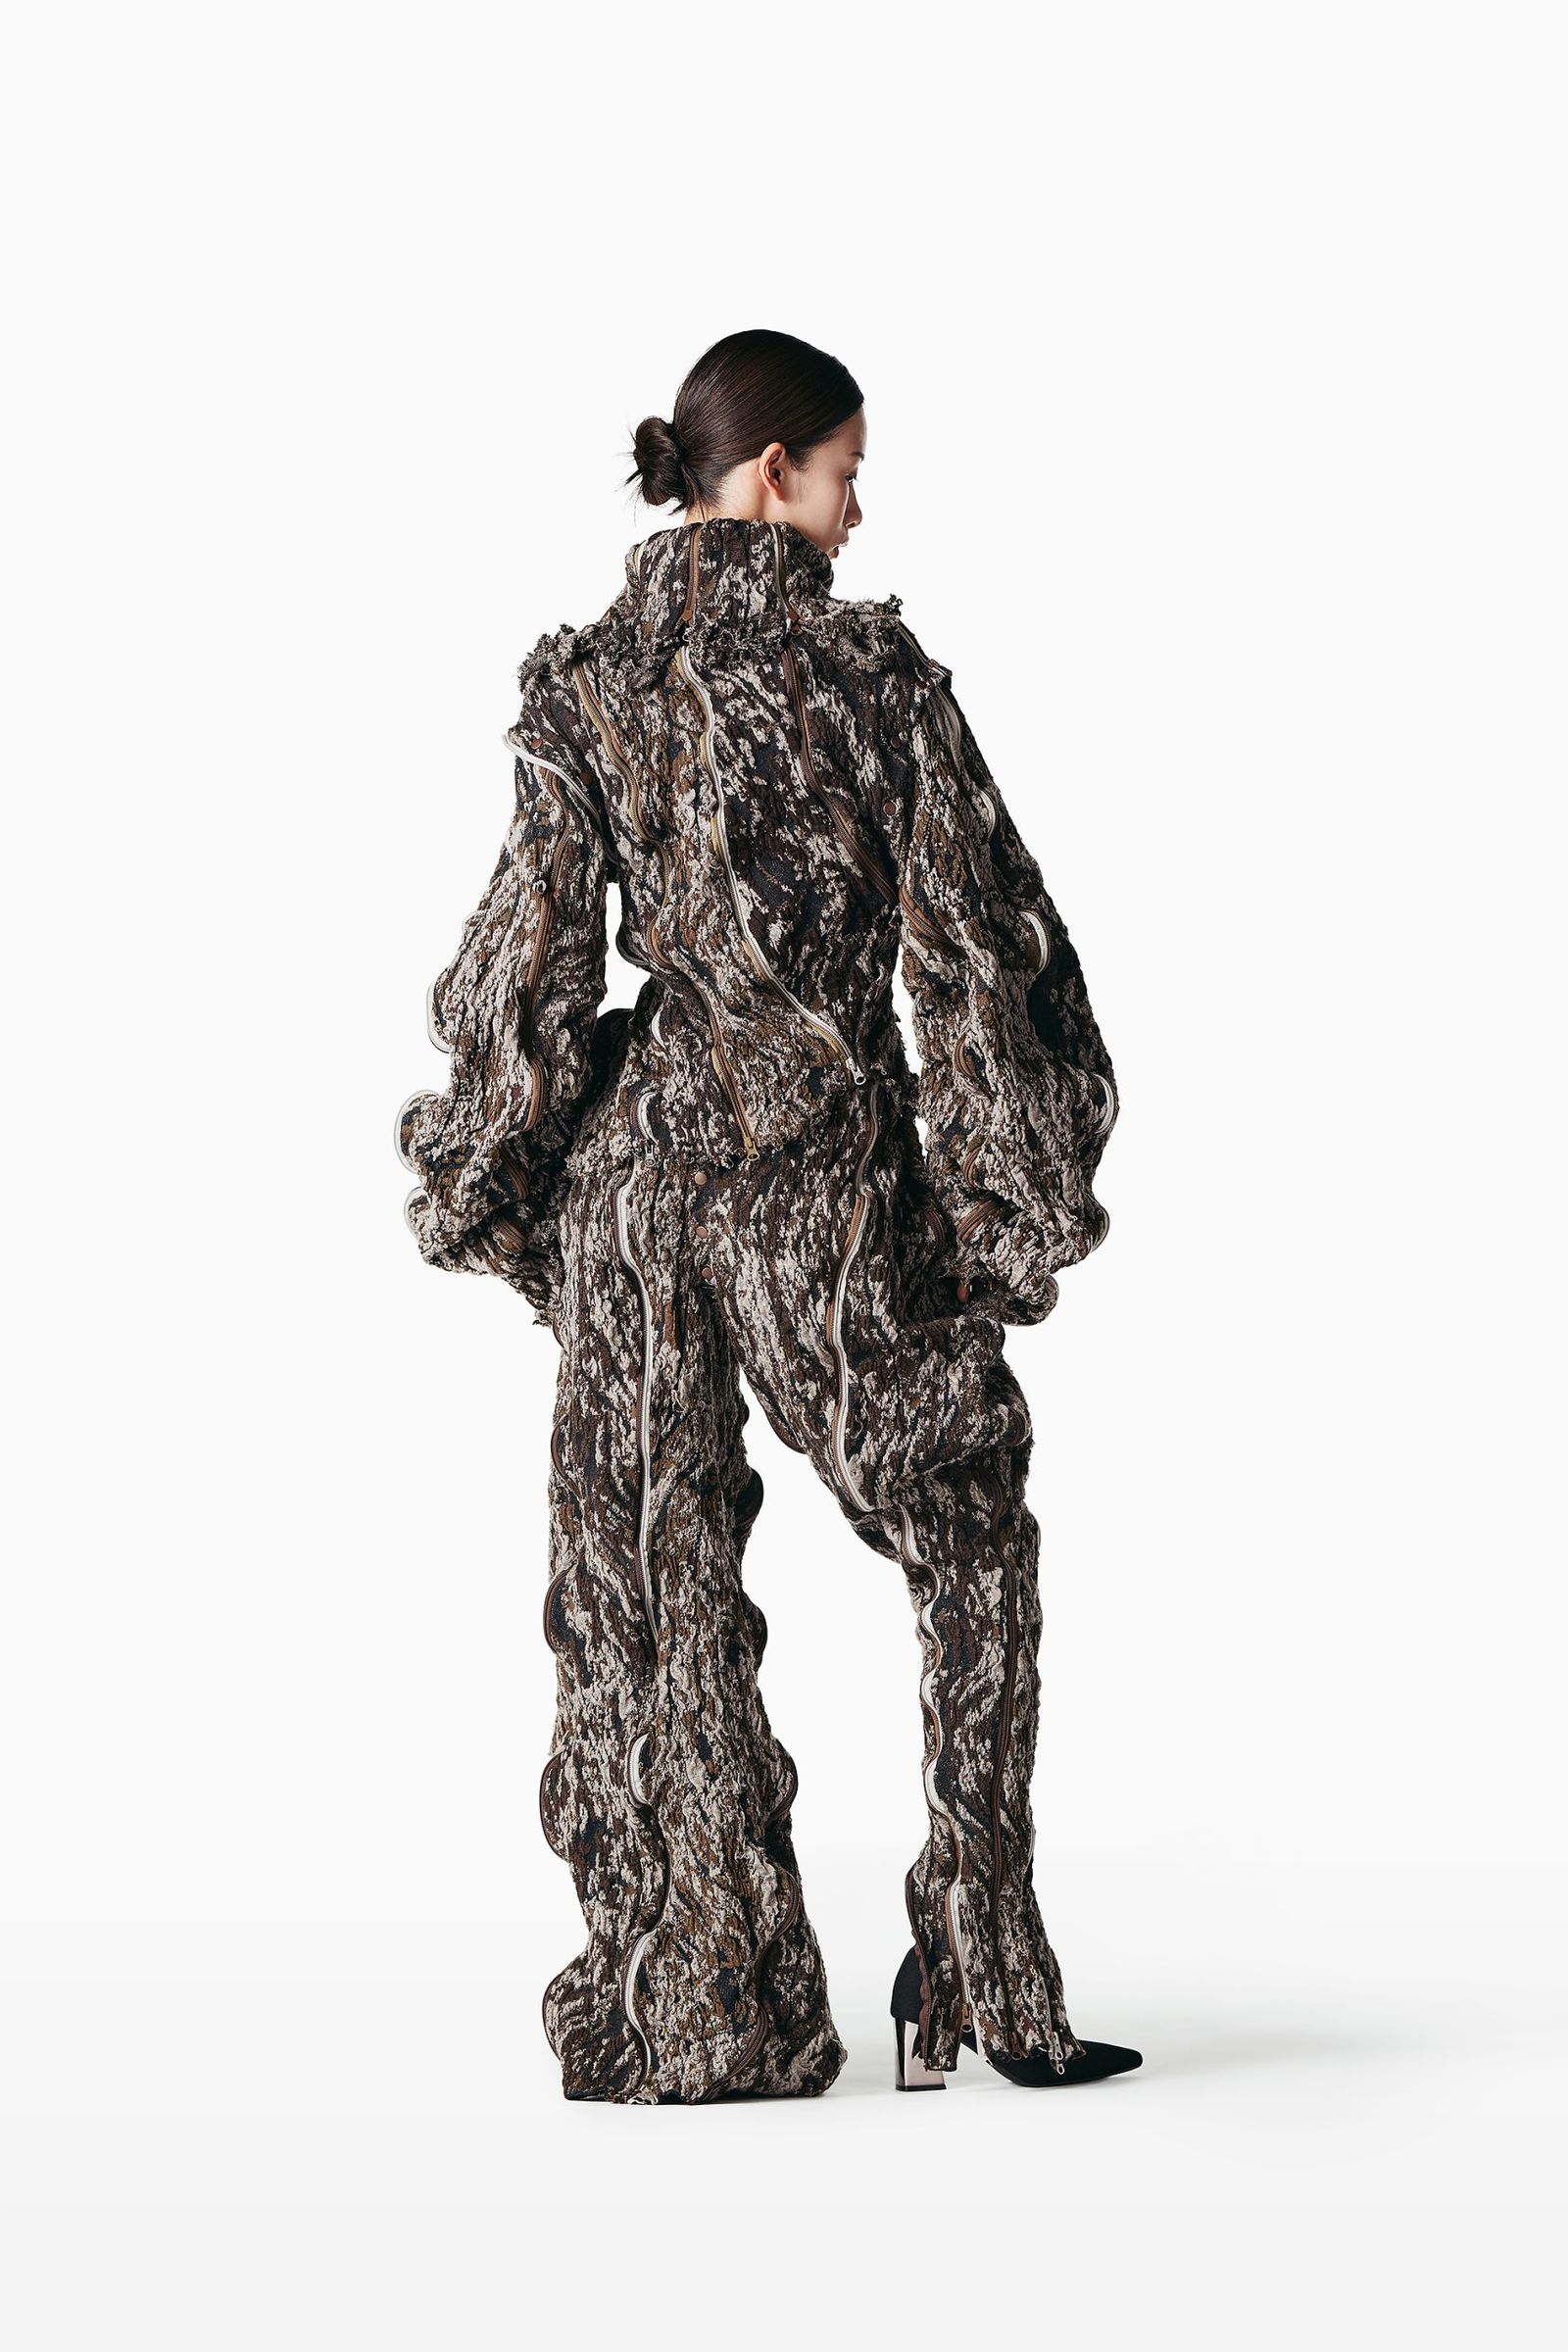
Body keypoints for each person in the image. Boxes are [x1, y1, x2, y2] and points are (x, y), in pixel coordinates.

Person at [395, 327, 1141, 2103]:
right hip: (818, 1179)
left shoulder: (586, 685)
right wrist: (1007, 1200)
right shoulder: (873, 683)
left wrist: (494, 1178)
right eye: (849, 472)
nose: (861, 511)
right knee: (968, 1527)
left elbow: (526, 961)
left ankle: (703, 2006)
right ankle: (983, 1962)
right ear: (776, 470)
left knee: (649, 1592)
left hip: (639, 1192)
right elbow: (980, 954)